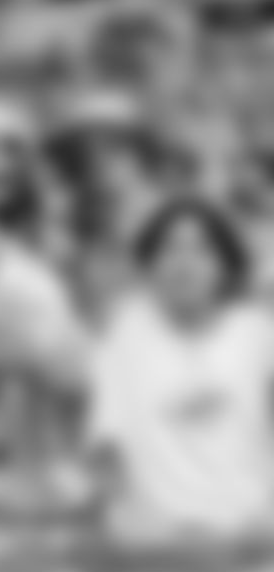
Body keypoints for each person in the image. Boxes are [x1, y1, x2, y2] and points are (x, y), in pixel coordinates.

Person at [89, 198, 274, 544]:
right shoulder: (125, 333)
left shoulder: (258, 334)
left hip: (250, 537)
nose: (184, 263)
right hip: (155, 546)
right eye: (170, 249)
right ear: (149, 265)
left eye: (202, 250)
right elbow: (107, 444)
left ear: (226, 266)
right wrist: (121, 523)